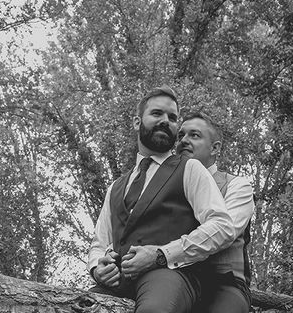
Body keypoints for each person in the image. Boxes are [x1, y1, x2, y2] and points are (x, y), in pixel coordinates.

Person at [88, 86, 237, 313]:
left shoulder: (190, 169)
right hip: (117, 284)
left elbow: (222, 226)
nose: (166, 121)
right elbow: (99, 243)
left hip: (170, 277)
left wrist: (160, 255)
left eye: (172, 117)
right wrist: (97, 268)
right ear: (138, 122)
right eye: (157, 114)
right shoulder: (115, 187)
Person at [176, 111, 255, 313]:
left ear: (215, 148)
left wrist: (161, 255)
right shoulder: (167, 186)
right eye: (180, 135)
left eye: (194, 135)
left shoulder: (236, 186)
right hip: (175, 281)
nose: (184, 141)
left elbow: (223, 235)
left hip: (223, 284)